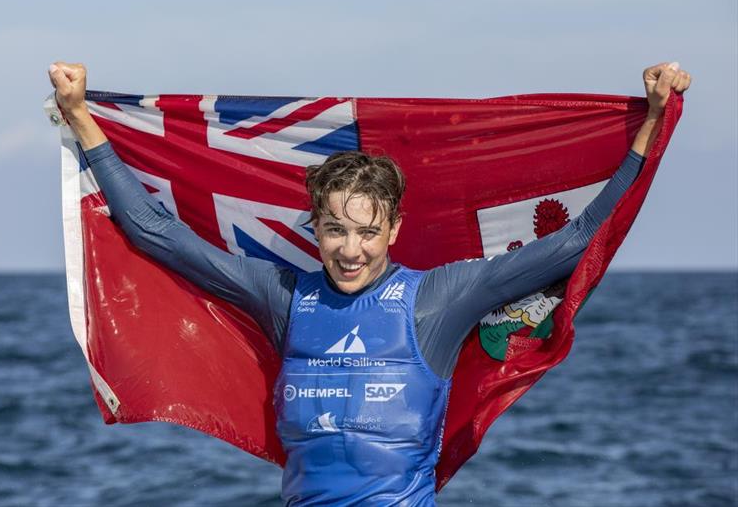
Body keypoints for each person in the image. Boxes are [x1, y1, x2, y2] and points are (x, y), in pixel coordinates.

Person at [49, 62, 690, 506]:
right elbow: (156, 233)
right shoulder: (283, 296)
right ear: (316, 229)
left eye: (365, 232)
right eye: (334, 231)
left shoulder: (439, 299)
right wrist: (81, 118)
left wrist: (652, 125)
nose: (349, 251)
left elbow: (572, 243)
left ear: (393, 229)